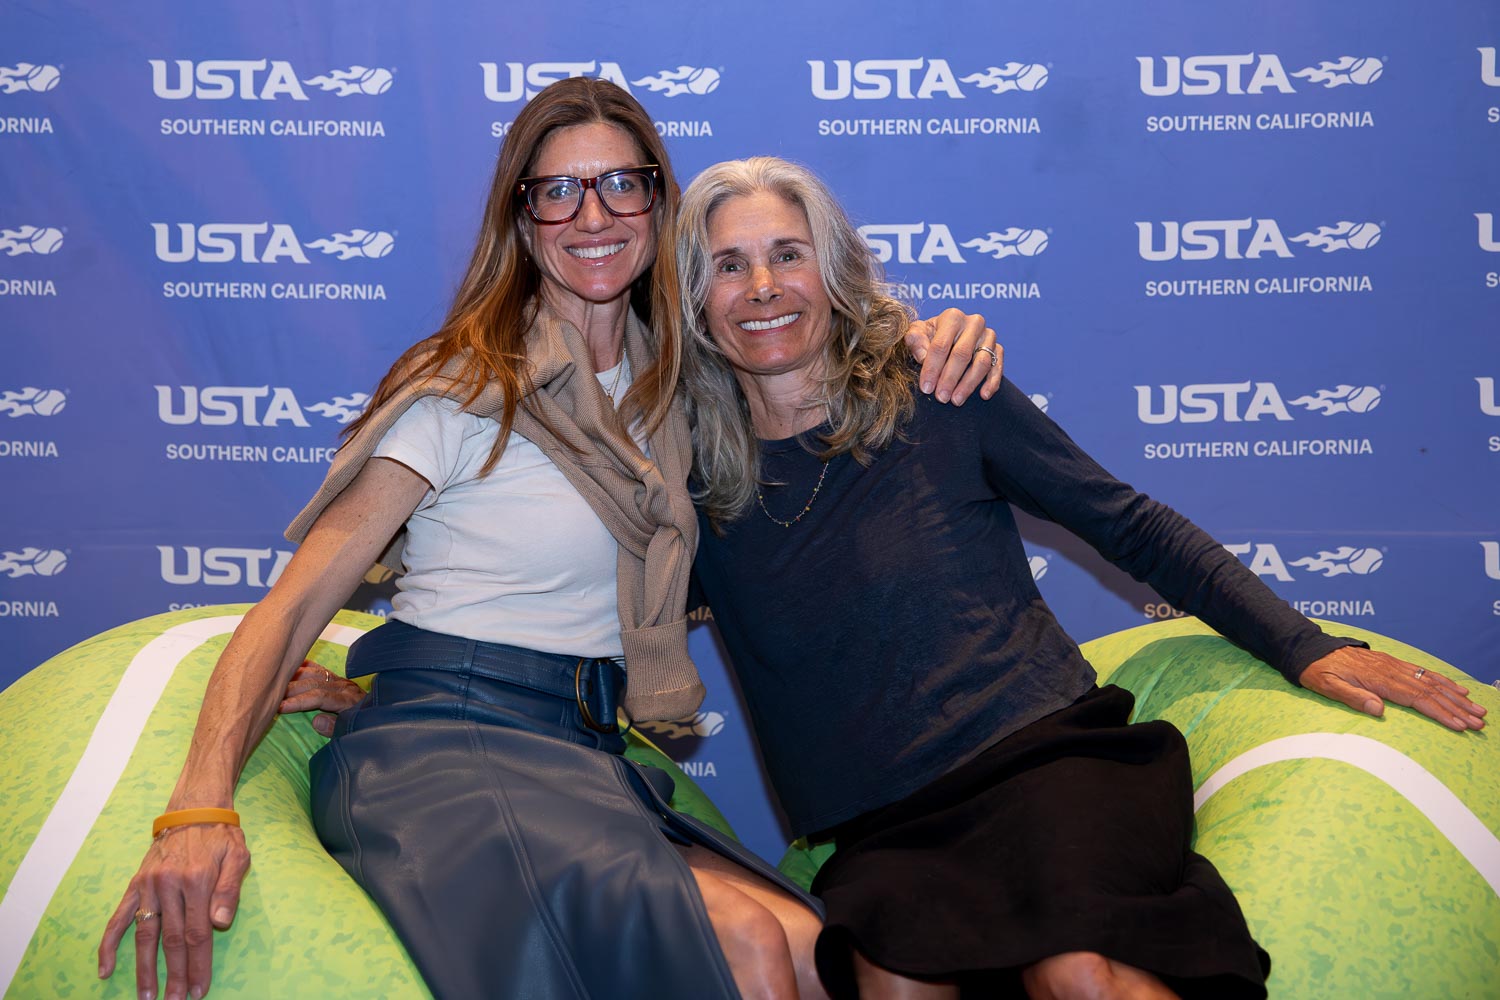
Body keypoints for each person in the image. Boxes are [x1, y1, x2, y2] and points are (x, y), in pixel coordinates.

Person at [96, 79, 999, 1000]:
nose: (592, 216)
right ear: (523, 221)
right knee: (749, 950)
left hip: (584, 753)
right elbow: (292, 608)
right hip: (445, 755)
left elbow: (809, 368)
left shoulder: (682, 390)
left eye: (620, 185)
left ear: (657, 203)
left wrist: (922, 340)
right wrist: (196, 810)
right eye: (559, 191)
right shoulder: (463, 387)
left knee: (811, 951)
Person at [671, 157, 1487, 1000]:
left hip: (1048, 761)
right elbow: (612, 615)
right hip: (887, 831)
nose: (763, 287)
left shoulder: (937, 391)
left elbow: (1129, 525)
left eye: (789, 254)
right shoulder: (686, 483)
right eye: (729, 265)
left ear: (836, 272)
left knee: (1080, 973)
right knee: (895, 984)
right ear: (693, 298)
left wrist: (1305, 647)